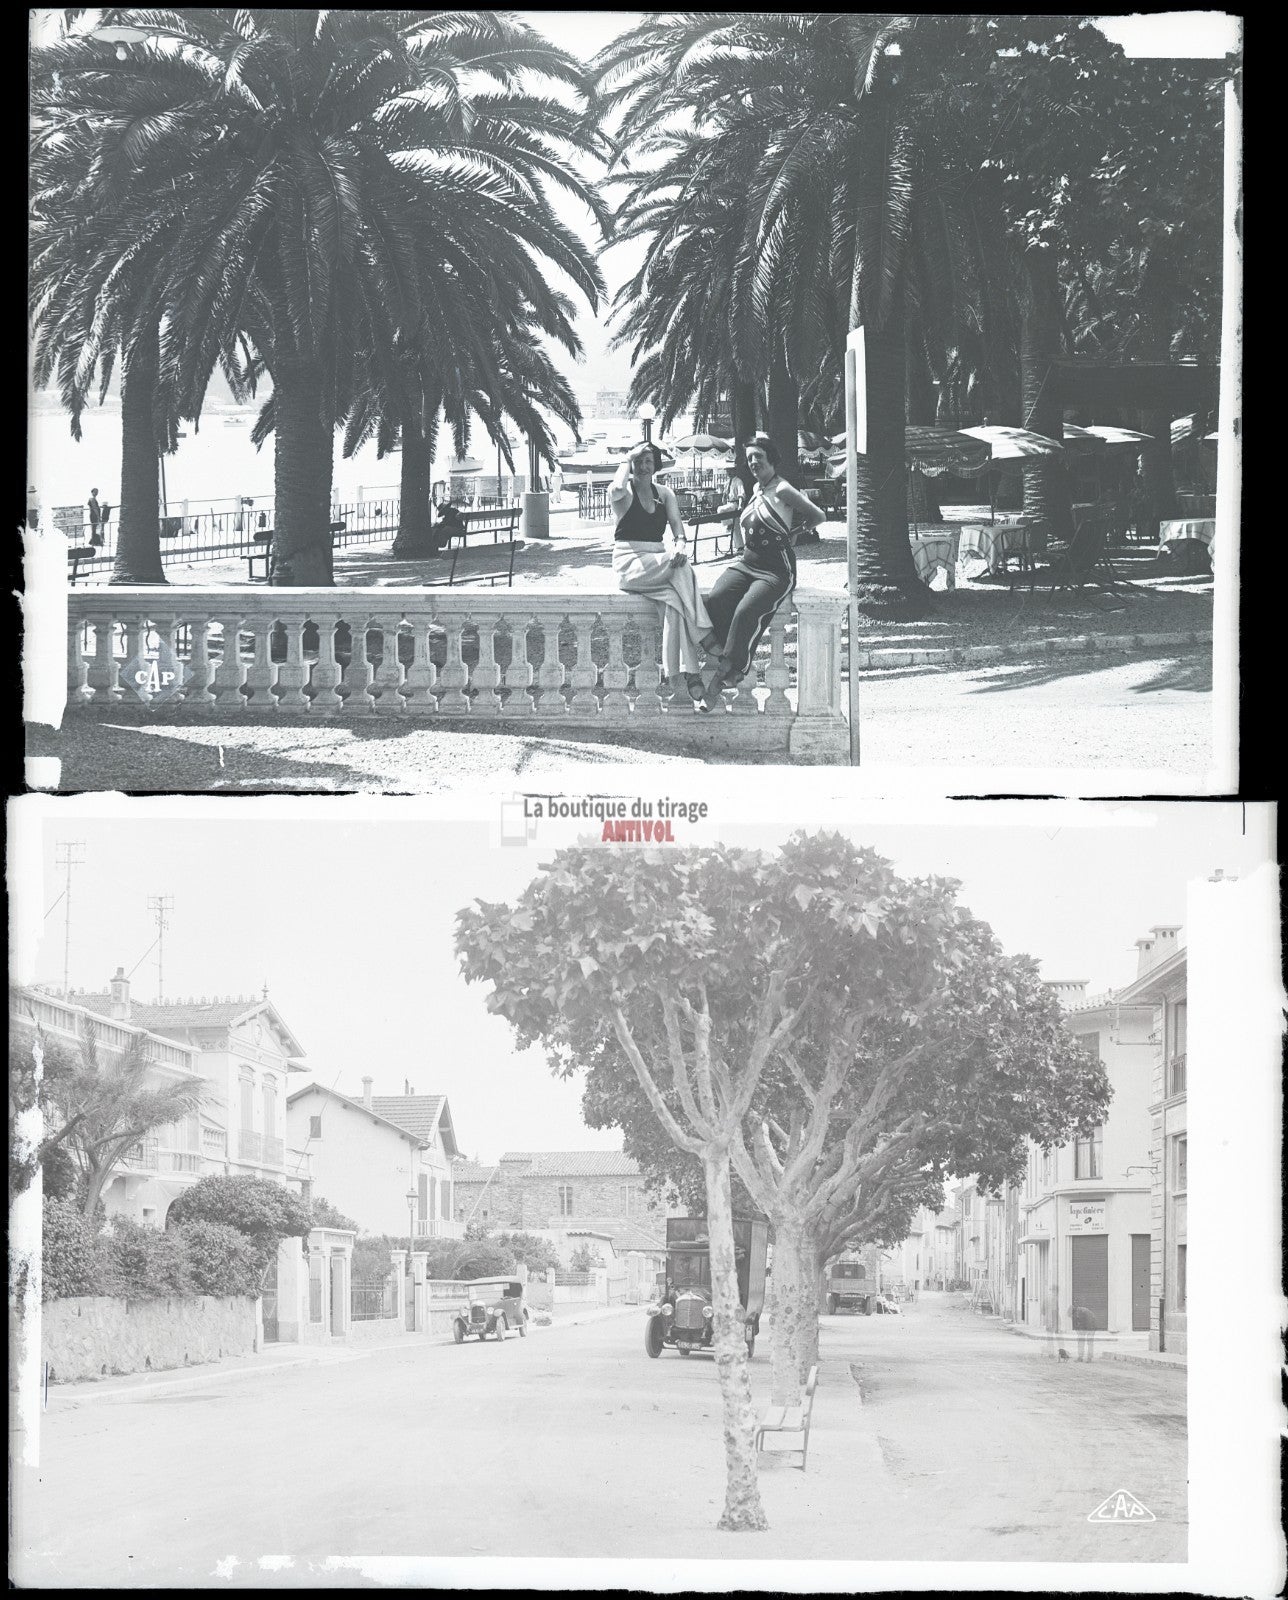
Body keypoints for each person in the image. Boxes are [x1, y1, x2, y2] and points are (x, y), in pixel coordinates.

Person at [699, 433, 824, 710]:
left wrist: (795, 532)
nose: (753, 462)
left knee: (746, 612)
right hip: (747, 564)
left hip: (776, 570)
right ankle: (728, 652)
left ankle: (727, 674)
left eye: (758, 457)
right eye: (749, 458)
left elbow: (818, 516)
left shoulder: (782, 489)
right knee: (717, 597)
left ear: (771, 459)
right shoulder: (756, 490)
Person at [610, 440, 714, 695]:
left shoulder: (665, 493)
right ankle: (704, 632)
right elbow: (614, 489)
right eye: (638, 461)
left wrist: (680, 546)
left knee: (673, 601)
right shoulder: (625, 493)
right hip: (629, 562)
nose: (643, 466)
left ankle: (689, 674)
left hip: (658, 561)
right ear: (632, 465)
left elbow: (679, 532)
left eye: (648, 461)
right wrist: (626, 458)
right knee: (678, 568)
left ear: (655, 465)